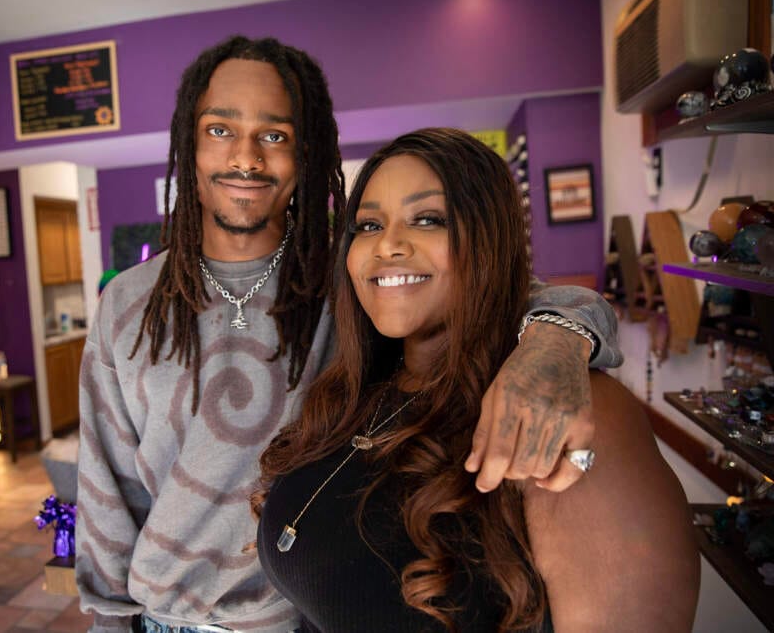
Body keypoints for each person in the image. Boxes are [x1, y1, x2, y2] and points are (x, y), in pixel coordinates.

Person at [76, 37, 623, 633]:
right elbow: (108, 489)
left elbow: (505, 291)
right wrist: (110, 623)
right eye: (220, 129)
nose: (246, 158)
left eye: (275, 135)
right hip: (166, 621)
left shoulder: (357, 280)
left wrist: (555, 344)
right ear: (189, 142)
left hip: (303, 615)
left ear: (306, 153)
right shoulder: (127, 303)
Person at [255, 128, 698, 632]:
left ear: (489, 240)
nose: (388, 245)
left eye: (429, 219)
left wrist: (558, 339)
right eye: (369, 225)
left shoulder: (552, 403)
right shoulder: (360, 387)